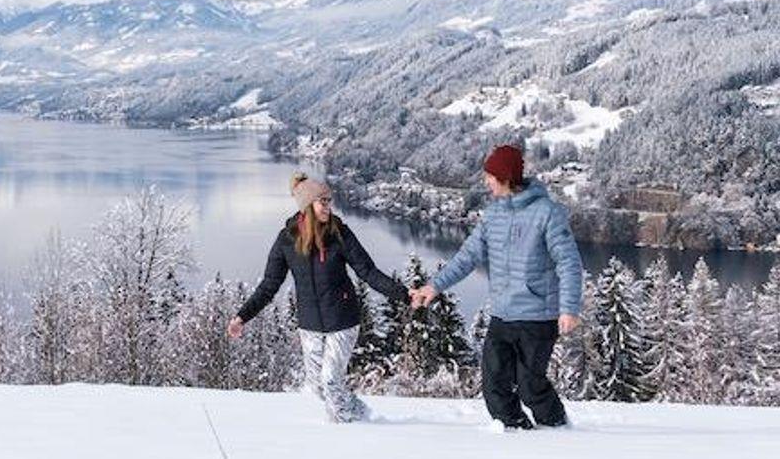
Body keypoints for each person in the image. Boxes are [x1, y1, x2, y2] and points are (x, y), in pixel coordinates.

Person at [412, 143, 581, 430]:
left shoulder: (547, 213)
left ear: (506, 177)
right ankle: (515, 434)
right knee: (494, 384)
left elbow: (569, 262)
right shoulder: (493, 215)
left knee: (530, 386)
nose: (486, 181)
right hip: (502, 313)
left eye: (490, 176)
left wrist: (569, 309)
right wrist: (434, 286)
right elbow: (468, 256)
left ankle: (558, 430)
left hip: (538, 315)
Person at [228, 172, 411, 422]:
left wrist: (404, 295)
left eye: (328, 201)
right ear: (307, 206)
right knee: (317, 387)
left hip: (342, 320)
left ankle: (348, 431)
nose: (328, 206)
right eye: (322, 201)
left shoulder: (340, 234)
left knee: (330, 380)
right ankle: (362, 414)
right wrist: (242, 317)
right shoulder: (287, 240)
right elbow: (270, 284)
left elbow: (368, 272)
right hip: (310, 324)